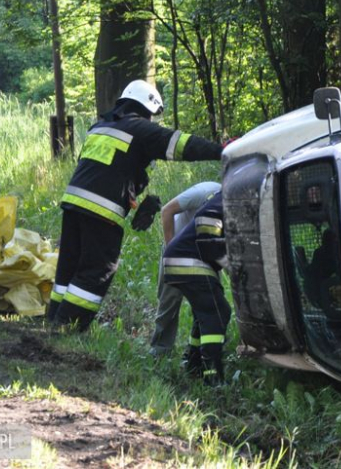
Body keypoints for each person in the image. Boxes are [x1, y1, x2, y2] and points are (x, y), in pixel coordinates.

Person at [48, 80, 223, 332]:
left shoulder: (100, 126)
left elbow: (107, 170)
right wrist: (223, 150)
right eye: (152, 115)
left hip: (73, 204)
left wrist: (134, 198)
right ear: (145, 109)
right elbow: (182, 144)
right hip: (101, 211)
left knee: (70, 263)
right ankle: (68, 326)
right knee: (98, 268)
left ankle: (54, 318)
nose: (152, 120)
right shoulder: (140, 128)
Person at [162, 190, 230, 385]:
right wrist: (227, 263)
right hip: (189, 260)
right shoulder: (227, 197)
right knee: (217, 314)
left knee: (206, 312)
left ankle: (193, 363)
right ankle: (213, 376)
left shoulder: (224, 196)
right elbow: (205, 221)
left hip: (179, 259)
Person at [149, 181, 221, 356]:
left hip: (203, 254)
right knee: (169, 301)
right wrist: (171, 249)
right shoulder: (204, 191)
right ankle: (160, 350)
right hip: (177, 248)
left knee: (212, 304)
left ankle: (197, 353)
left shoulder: (233, 206)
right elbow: (167, 211)